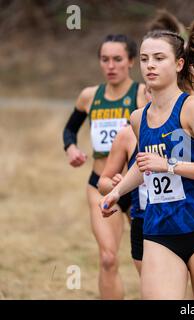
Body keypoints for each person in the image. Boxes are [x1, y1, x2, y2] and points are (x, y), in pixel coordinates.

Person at [100, 14, 194, 300]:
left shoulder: (193, 108)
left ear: (178, 64)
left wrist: (171, 166)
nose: (150, 65)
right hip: (159, 231)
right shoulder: (138, 118)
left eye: (159, 58)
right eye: (145, 59)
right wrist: (117, 191)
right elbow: (146, 164)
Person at [62, 34, 147, 299]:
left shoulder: (143, 94)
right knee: (108, 258)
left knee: (149, 264)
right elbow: (69, 129)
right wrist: (71, 148)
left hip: (137, 187)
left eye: (117, 59)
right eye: (105, 59)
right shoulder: (90, 96)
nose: (111, 65)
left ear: (131, 61)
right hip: (101, 183)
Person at [98, 126, 146, 274]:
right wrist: (118, 185)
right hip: (144, 222)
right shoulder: (127, 135)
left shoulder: (185, 124)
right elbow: (102, 183)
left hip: (183, 218)